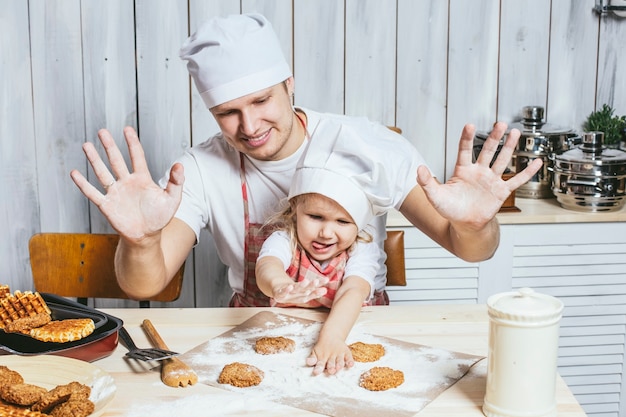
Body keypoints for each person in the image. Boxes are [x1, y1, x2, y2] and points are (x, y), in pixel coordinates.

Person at [69, 13, 541, 308]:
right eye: (227, 113)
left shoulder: (367, 143)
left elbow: (471, 250)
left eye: (261, 102)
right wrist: (140, 241)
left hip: (357, 323)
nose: (248, 126)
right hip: (257, 324)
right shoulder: (196, 170)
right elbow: (144, 284)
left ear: (289, 84)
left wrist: (477, 225)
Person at [256, 120, 392, 375]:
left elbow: (353, 289)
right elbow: (267, 266)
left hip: (346, 333)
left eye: (342, 222)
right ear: (295, 208)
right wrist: (279, 285)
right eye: (316, 217)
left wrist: (332, 337)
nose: (326, 233)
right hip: (290, 337)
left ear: (359, 224)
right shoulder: (285, 239)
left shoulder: (363, 248)